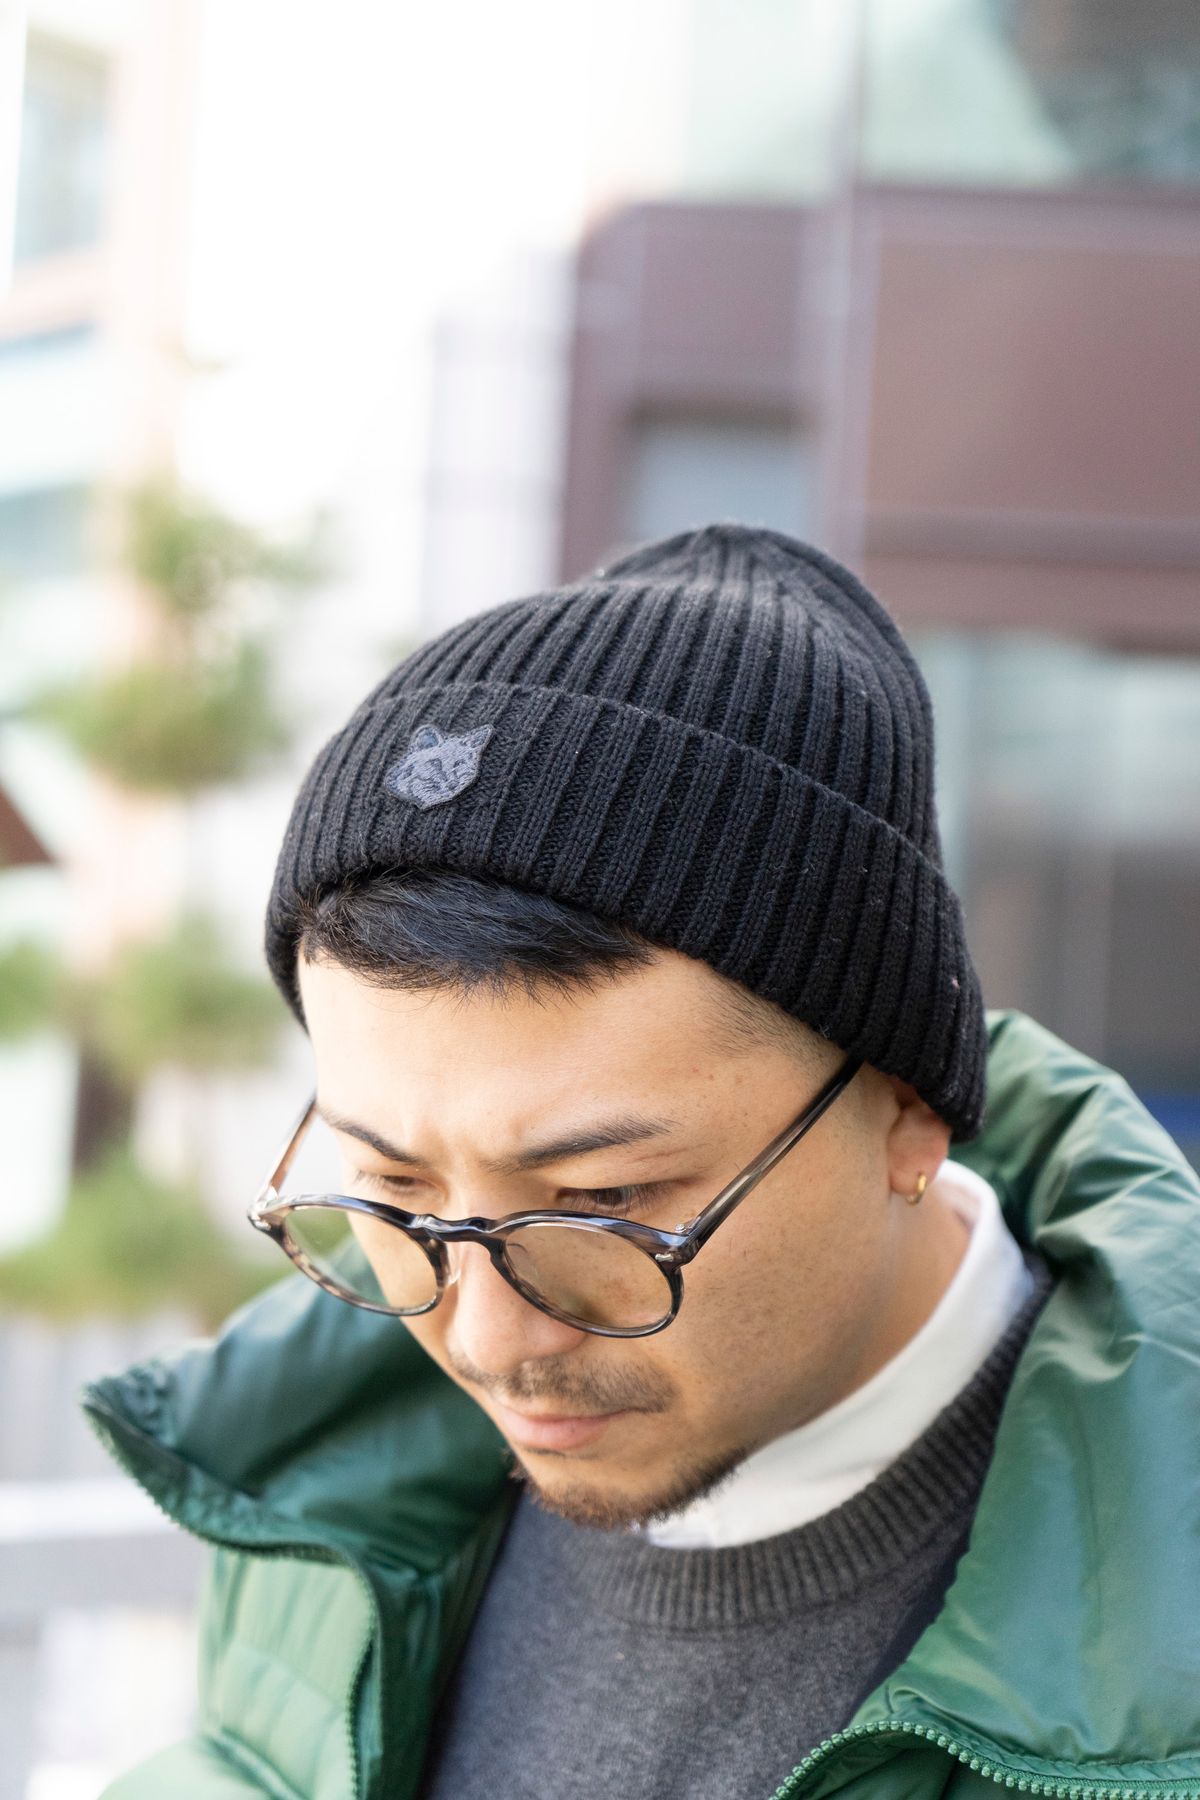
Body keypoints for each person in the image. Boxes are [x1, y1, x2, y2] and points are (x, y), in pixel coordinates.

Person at [85, 524, 1200, 1799]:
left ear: (906, 1108)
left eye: (603, 1201)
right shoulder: (308, 1485)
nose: (488, 1341)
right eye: (393, 1186)